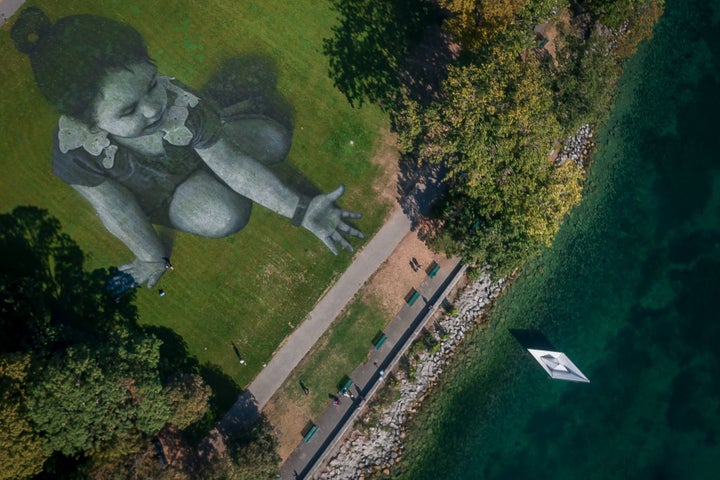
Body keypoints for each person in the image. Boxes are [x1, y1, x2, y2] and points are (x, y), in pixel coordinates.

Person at [11, 7, 363, 288]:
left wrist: (300, 210)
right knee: (226, 214)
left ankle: (214, 130)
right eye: (128, 110)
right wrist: (151, 256)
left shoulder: (179, 106)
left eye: (151, 85)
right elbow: (117, 208)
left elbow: (233, 166)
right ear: (88, 122)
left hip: (191, 150)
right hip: (160, 190)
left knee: (273, 141)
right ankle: (205, 165)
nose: (152, 109)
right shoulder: (78, 152)